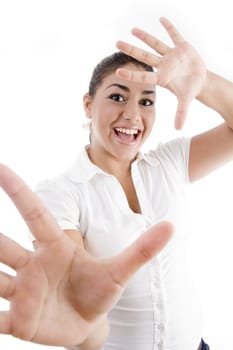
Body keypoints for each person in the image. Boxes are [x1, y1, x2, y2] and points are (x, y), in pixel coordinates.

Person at [0, 16, 233, 350]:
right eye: (118, 97)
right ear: (88, 105)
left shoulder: (168, 163)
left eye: (147, 101)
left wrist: (206, 83)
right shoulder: (62, 193)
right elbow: (72, 282)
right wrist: (76, 316)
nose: (133, 115)